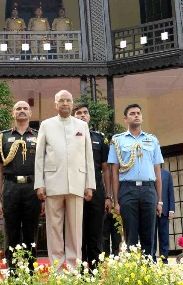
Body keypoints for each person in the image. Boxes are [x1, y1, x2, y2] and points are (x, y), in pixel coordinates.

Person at [34, 90, 95, 270]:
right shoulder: (46, 125)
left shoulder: (82, 126)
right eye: (61, 101)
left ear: (72, 103)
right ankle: (57, 270)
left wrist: (89, 184)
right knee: (54, 230)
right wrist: (40, 184)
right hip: (53, 183)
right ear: (55, 104)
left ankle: (73, 268)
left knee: (75, 230)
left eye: (68, 100)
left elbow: (88, 157)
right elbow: (39, 157)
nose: (65, 104)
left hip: (77, 182)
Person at [109, 104, 163, 257]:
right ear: (126, 119)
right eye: (132, 114)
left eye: (138, 113)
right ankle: (133, 270)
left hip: (148, 189)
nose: (136, 116)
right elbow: (114, 171)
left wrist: (160, 201)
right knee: (130, 234)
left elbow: (157, 170)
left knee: (149, 234)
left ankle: (148, 270)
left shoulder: (152, 140)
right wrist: (116, 201)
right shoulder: (117, 141)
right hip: (128, 189)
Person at [0, 100, 42, 269]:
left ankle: (29, 272)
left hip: (32, 188)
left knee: (31, 232)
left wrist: (43, 195)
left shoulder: (39, 135)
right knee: (11, 231)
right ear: (13, 113)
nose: (22, 111)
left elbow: (44, 167)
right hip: (11, 188)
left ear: (30, 113)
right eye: (18, 109)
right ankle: (12, 271)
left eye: (25, 108)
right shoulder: (4, 137)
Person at [73, 103, 112, 268]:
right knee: (78, 234)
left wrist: (108, 196)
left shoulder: (99, 138)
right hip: (75, 188)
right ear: (74, 117)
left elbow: (106, 169)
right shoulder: (69, 136)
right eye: (79, 113)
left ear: (89, 116)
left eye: (85, 113)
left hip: (96, 189)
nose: (82, 115)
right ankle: (80, 273)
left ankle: (94, 272)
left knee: (96, 234)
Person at [153, 167, 175, 262]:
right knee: (151, 236)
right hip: (150, 210)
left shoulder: (167, 174)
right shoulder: (148, 173)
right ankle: (152, 258)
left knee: (164, 235)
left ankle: (164, 258)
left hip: (165, 210)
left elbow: (171, 192)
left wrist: (171, 210)